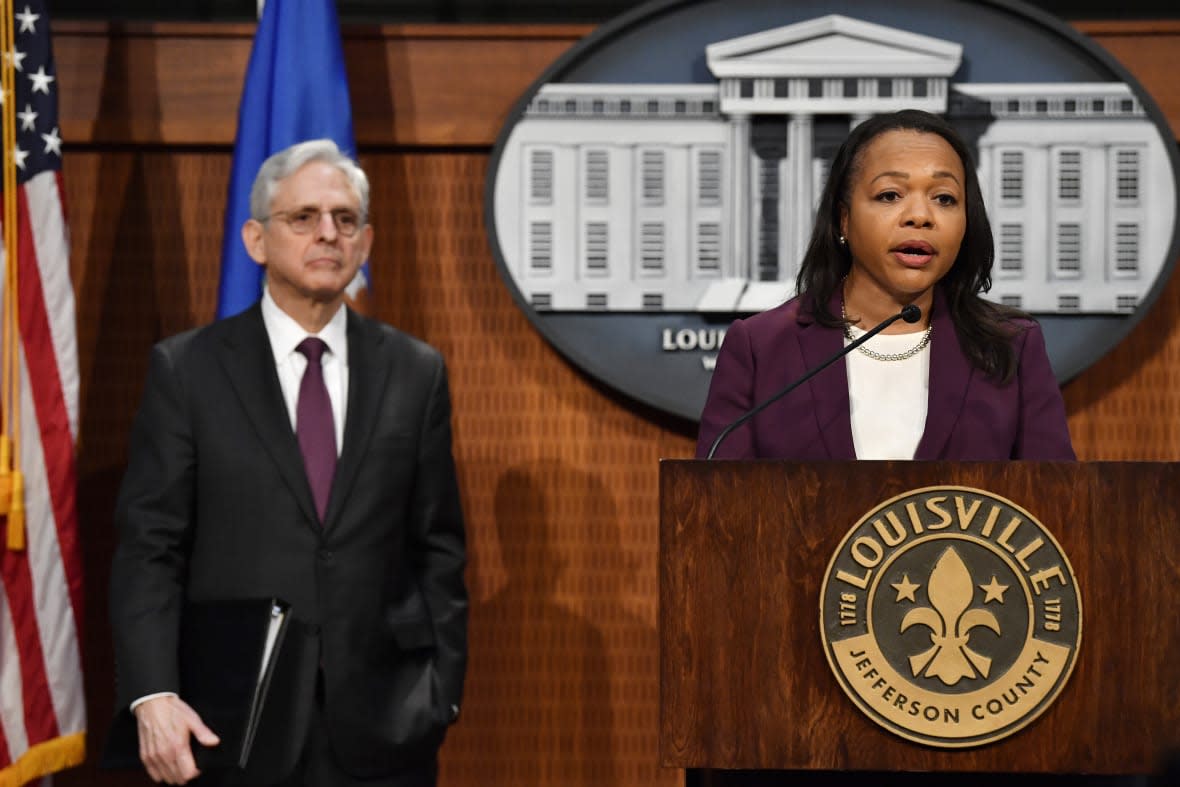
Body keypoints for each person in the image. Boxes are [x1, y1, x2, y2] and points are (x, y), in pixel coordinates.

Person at [109, 139, 467, 787]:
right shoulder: (186, 371)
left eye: (345, 219)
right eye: (303, 217)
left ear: (364, 242)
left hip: (385, 734)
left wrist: (440, 693)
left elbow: (437, 546)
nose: (327, 233)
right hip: (229, 726)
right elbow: (149, 549)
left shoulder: (416, 373)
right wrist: (152, 693)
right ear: (255, 239)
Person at [696, 109, 1074, 461]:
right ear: (843, 219)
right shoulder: (762, 348)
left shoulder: (1010, 347)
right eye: (890, 195)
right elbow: (715, 514)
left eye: (944, 198)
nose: (920, 217)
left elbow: (1054, 509)